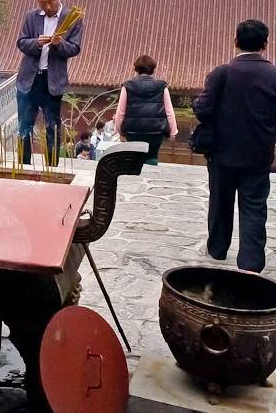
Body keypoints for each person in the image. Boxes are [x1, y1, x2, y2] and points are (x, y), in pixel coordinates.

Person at [193, 19, 276, 273]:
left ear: (236, 42)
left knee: (220, 201)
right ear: (265, 43)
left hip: (222, 152)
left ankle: (218, 249)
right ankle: (251, 263)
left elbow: (202, 109)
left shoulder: (222, 73)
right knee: (254, 206)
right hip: (259, 154)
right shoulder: (273, 75)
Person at [15, 0, 83, 166]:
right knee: (24, 125)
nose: (47, 7)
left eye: (51, 2)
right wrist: (36, 42)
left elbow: (75, 48)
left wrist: (59, 43)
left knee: (51, 125)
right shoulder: (31, 16)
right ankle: (23, 164)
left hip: (52, 80)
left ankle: (51, 167)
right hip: (29, 79)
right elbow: (21, 42)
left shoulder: (72, 18)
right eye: (42, 3)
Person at [114, 55, 178, 166]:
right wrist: (173, 131)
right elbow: (169, 111)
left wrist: (119, 131)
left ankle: (134, 181)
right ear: (153, 69)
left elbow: (121, 112)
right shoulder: (161, 86)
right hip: (156, 131)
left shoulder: (128, 86)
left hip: (133, 131)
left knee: (134, 160)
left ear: (136, 69)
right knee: (152, 158)